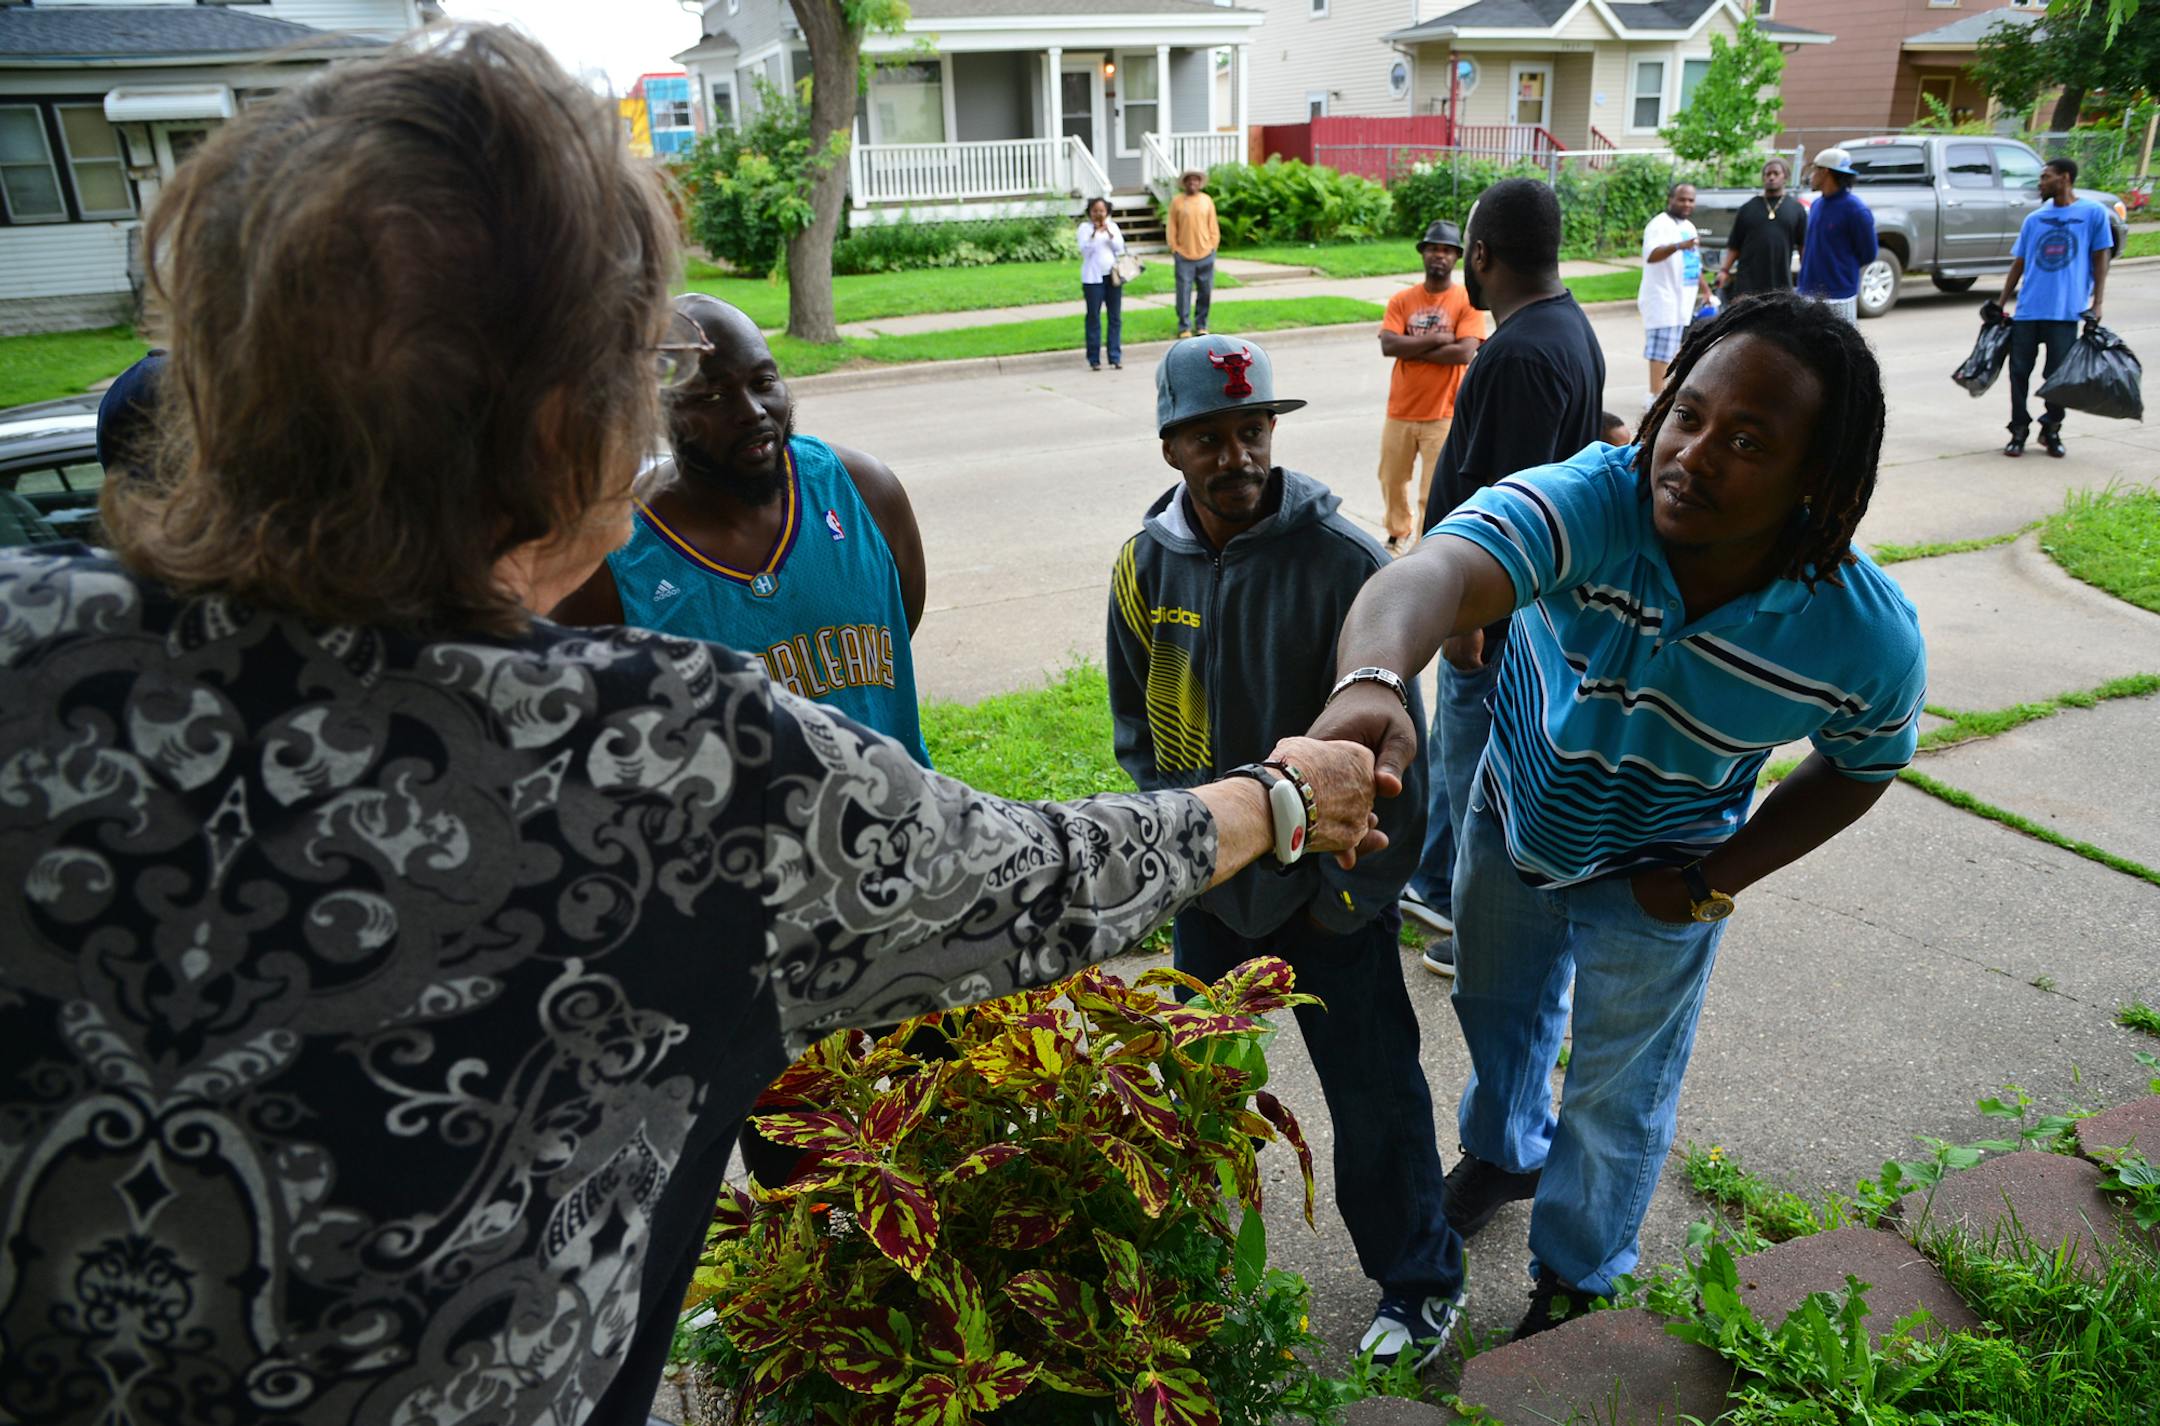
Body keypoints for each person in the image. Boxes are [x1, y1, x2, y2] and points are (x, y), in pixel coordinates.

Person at [0, 28, 1390, 1424]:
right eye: (640, 376)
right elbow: (1038, 879)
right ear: (564, 428)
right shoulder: (674, 758)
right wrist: (1281, 795)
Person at [1313, 291, 1928, 1339]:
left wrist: (1719, 873)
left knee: (1617, 1089)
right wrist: (1370, 682)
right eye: (1687, 413)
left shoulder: (1860, 634)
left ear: (1815, 477)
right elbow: (1436, 569)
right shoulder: (1595, 502)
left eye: (1746, 439)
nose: (1692, 452)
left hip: (1664, 873)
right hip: (1515, 826)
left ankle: (1579, 1273)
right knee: (1498, 1015)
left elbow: (1865, 763)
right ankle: (1505, 1152)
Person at [1108, 334, 1463, 1371]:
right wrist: (1187, 850)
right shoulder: (1143, 566)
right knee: (1195, 1095)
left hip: (1328, 903)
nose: (1239, 455)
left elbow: (1403, 765)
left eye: (1254, 429)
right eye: (1211, 437)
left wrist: (1342, 901)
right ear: (1173, 446)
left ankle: (1421, 1279)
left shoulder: (1347, 565)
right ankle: (1192, 1273)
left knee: (1375, 1094)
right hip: (1209, 889)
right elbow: (1137, 727)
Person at [551, 294, 931, 765]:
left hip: (898, 817)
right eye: (710, 395)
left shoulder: (865, 491)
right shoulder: (611, 557)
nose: (751, 411)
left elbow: (900, 622)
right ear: (656, 411)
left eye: (763, 381)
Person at [1398, 179, 1606, 977]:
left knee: (1476, 770)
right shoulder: (1563, 328)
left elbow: (1512, 508)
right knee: (1460, 761)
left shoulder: (1520, 352)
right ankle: (1434, 884)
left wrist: (1463, 618)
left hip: (1494, 616)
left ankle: (1470, 923)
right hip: (1506, 608)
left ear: (1480, 256)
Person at [1376, 219, 1489, 556]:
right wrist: (1441, 337)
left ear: (1457, 257)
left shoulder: (1466, 301)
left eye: (1446, 250)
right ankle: (1397, 532)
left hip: (1444, 411)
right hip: (1400, 409)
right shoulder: (1402, 299)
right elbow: (1389, 346)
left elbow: (1464, 352)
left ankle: (1425, 547)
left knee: (1432, 488)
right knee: (1391, 480)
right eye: (1433, 248)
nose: (1439, 255)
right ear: (1423, 253)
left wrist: (1413, 343)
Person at [1995, 156, 2113, 459]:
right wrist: (2001, 301)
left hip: (2066, 312)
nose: (2040, 182)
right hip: (2029, 310)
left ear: (2065, 178)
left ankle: (2051, 429)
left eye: (2046, 176)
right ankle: (2018, 430)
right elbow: (2019, 262)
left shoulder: (2093, 214)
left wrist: (2097, 302)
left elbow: (2101, 258)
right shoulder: (2034, 219)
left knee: (2058, 377)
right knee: (2019, 372)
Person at [1639, 182, 1714, 405]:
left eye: (1691, 200)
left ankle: (1663, 396)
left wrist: (1706, 290)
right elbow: (1651, 255)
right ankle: (1654, 397)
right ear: (1670, 199)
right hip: (1663, 299)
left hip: (1683, 301)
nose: (1687, 204)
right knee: (1660, 352)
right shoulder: (1659, 225)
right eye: (1682, 199)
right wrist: (1679, 245)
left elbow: (1693, 263)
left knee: (1674, 351)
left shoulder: (1689, 227)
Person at [1794, 148, 1877, 324]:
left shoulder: (1855, 209)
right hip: (1807, 292)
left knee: (1840, 348)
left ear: (1826, 172)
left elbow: (1868, 254)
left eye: (1815, 169)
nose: (1811, 176)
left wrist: (1839, 269)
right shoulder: (1816, 205)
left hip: (1838, 296)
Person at [1716, 158, 1807, 302]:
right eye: (1767, 174)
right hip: (1748, 281)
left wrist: (1806, 272)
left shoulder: (1796, 209)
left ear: (1785, 177)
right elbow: (1734, 244)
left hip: (1780, 280)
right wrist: (1724, 271)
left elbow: (1803, 245)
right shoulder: (1747, 208)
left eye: (1776, 173)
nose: (1771, 177)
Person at [1168, 168, 1220, 338]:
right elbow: (1172, 227)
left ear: (1200, 183)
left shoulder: (1207, 201)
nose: (1192, 183)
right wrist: (1175, 248)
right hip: (1184, 255)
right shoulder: (1177, 202)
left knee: (1205, 291)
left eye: (1195, 180)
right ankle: (1184, 326)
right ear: (1184, 183)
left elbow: (1213, 226)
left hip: (1206, 254)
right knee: (1183, 292)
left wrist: (1213, 246)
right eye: (1189, 180)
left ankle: (1202, 324)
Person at [1079, 195, 1127, 371]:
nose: (1098, 214)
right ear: (1090, 212)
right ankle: (1094, 358)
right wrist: (1094, 234)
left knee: (1114, 318)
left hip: (1112, 277)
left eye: (1101, 211)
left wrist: (1108, 233)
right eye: (1095, 211)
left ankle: (1115, 356)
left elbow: (1119, 248)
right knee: (1093, 317)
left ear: (1107, 212)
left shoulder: (1112, 226)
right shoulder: (1084, 228)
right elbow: (1085, 251)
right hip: (1093, 279)